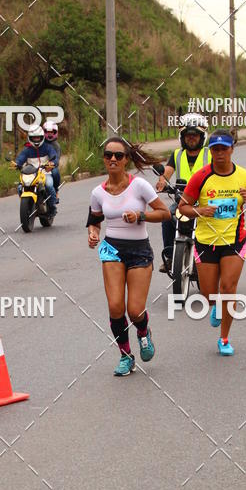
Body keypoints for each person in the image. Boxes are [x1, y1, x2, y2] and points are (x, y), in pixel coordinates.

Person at [87, 138, 170, 376]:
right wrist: (93, 234)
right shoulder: (97, 192)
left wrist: (140, 216)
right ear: (104, 159)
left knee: (134, 311)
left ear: (126, 160)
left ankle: (143, 332)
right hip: (111, 249)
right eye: (108, 155)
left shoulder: (139, 186)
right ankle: (125, 356)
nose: (113, 159)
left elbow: (164, 213)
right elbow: (94, 221)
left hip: (139, 250)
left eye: (118, 155)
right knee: (115, 307)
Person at [178, 129, 246, 356]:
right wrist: (200, 210)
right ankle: (214, 306)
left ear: (232, 149)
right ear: (211, 151)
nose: (220, 153)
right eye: (215, 149)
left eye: (224, 149)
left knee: (228, 288)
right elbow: (183, 207)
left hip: (234, 241)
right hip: (206, 242)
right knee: (209, 294)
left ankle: (224, 338)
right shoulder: (201, 177)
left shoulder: (244, 176)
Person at [156, 113, 209, 271]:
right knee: (167, 216)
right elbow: (167, 173)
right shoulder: (177, 154)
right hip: (183, 201)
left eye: (195, 135)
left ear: (202, 137)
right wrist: (162, 182)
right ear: (182, 137)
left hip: (205, 201)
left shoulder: (210, 154)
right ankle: (170, 257)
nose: (191, 138)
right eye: (188, 135)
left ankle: (216, 255)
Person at [15, 125, 58, 214]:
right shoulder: (27, 150)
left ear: (42, 137)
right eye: (34, 138)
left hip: (44, 173)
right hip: (30, 174)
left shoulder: (47, 147)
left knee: (49, 185)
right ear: (30, 138)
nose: (36, 139)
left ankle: (52, 206)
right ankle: (26, 205)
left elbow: (54, 156)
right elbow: (20, 158)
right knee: (20, 187)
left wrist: (52, 163)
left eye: (38, 137)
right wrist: (17, 164)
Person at [43, 120, 61, 195]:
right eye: (47, 132)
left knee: (55, 172)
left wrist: (52, 164)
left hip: (51, 166)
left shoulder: (56, 146)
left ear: (55, 133)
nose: (49, 134)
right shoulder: (40, 142)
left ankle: (56, 190)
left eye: (51, 132)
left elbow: (57, 158)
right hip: (39, 165)